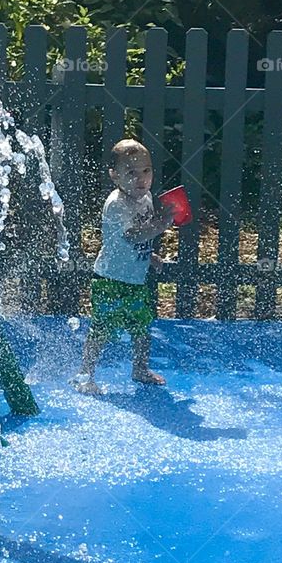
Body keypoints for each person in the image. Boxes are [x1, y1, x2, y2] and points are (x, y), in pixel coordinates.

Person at [74, 138, 176, 394]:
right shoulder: (117, 204)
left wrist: (149, 255)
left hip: (135, 280)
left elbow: (138, 240)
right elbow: (132, 235)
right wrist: (163, 225)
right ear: (115, 176)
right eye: (131, 172)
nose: (141, 179)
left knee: (141, 327)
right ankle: (85, 375)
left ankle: (140, 369)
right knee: (102, 329)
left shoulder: (145, 198)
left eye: (146, 170)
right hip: (109, 279)